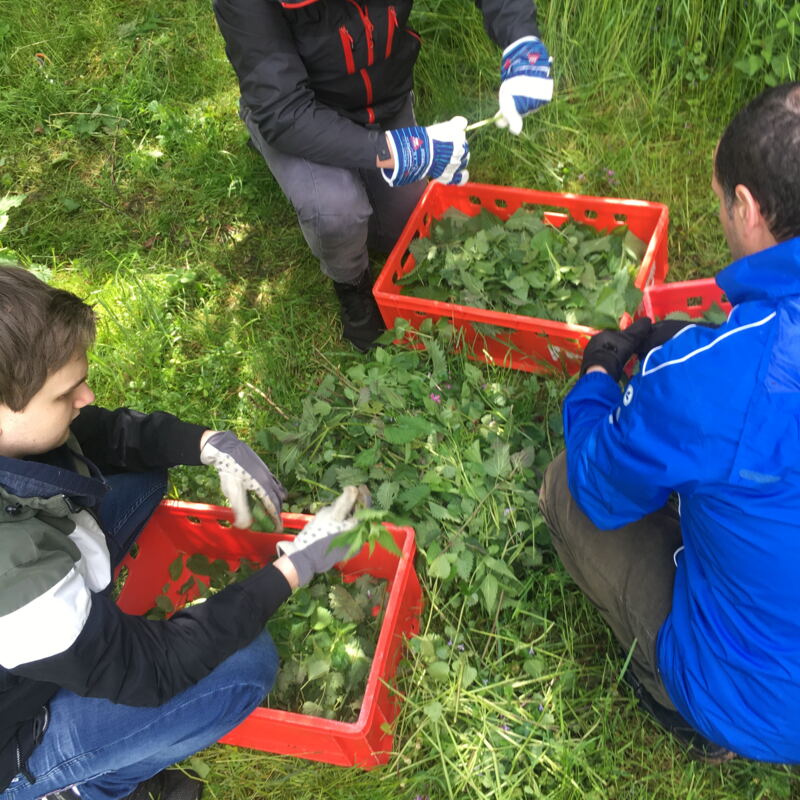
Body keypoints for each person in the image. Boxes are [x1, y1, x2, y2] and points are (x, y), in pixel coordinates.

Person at [0, 266, 362, 800]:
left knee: (140, 478)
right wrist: (294, 566)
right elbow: (152, 668)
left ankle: (80, 633)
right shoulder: (12, 578)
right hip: (12, 732)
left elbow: (96, 432)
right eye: (65, 393)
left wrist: (205, 443)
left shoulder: (18, 432)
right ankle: (84, 788)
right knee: (245, 666)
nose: (86, 396)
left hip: (31, 619)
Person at [538, 82, 800, 764]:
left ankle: (697, 715)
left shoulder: (725, 377)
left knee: (567, 485)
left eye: (718, 198)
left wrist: (597, 379)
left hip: (765, 698)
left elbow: (602, 482)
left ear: (746, 206)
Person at [213, 0, 553, 351]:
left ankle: (363, 158)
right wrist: (393, 152)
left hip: (382, 100)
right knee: (337, 211)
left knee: (403, 229)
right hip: (299, 111)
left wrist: (519, 40)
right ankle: (352, 288)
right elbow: (282, 111)